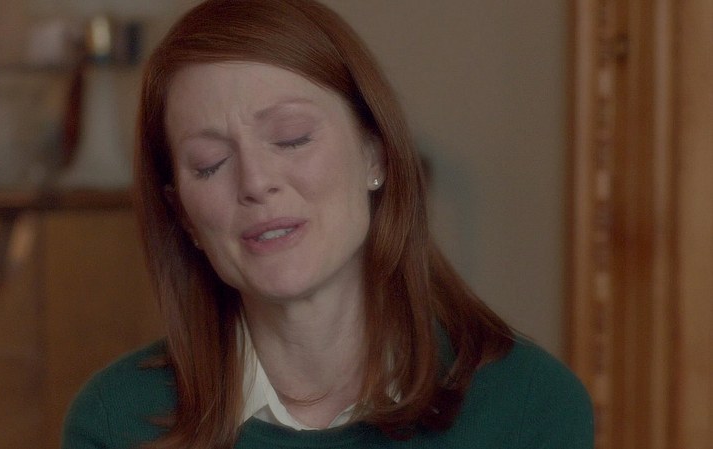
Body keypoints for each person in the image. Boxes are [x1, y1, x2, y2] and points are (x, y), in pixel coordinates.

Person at [62, 1, 594, 448]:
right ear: (184, 217)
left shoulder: (529, 407)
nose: (256, 182)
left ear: (375, 153)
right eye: (210, 164)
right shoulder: (114, 422)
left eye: (292, 137)